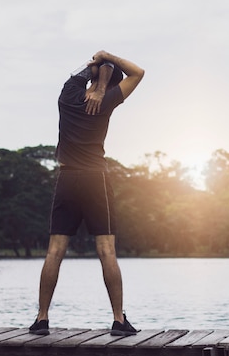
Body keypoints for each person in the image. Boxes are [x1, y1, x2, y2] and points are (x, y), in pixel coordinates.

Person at [28, 50, 145, 337]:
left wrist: (97, 65)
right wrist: (108, 61)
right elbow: (138, 73)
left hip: (67, 178)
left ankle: (42, 319)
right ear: (112, 82)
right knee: (106, 250)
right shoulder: (107, 101)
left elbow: (85, 69)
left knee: (55, 250)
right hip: (95, 180)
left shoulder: (67, 95)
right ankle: (118, 320)